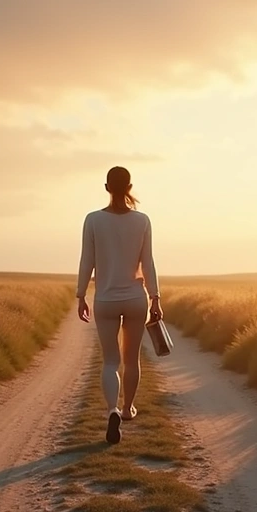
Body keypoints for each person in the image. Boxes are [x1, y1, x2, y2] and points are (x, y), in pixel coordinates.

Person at [76, 166, 161, 445]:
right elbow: (147, 263)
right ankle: (127, 409)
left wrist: (80, 295)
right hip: (136, 299)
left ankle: (112, 409)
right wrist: (155, 297)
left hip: (105, 300)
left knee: (111, 360)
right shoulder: (142, 220)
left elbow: (87, 261)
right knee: (132, 359)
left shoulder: (93, 220)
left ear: (106, 187)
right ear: (130, 187)